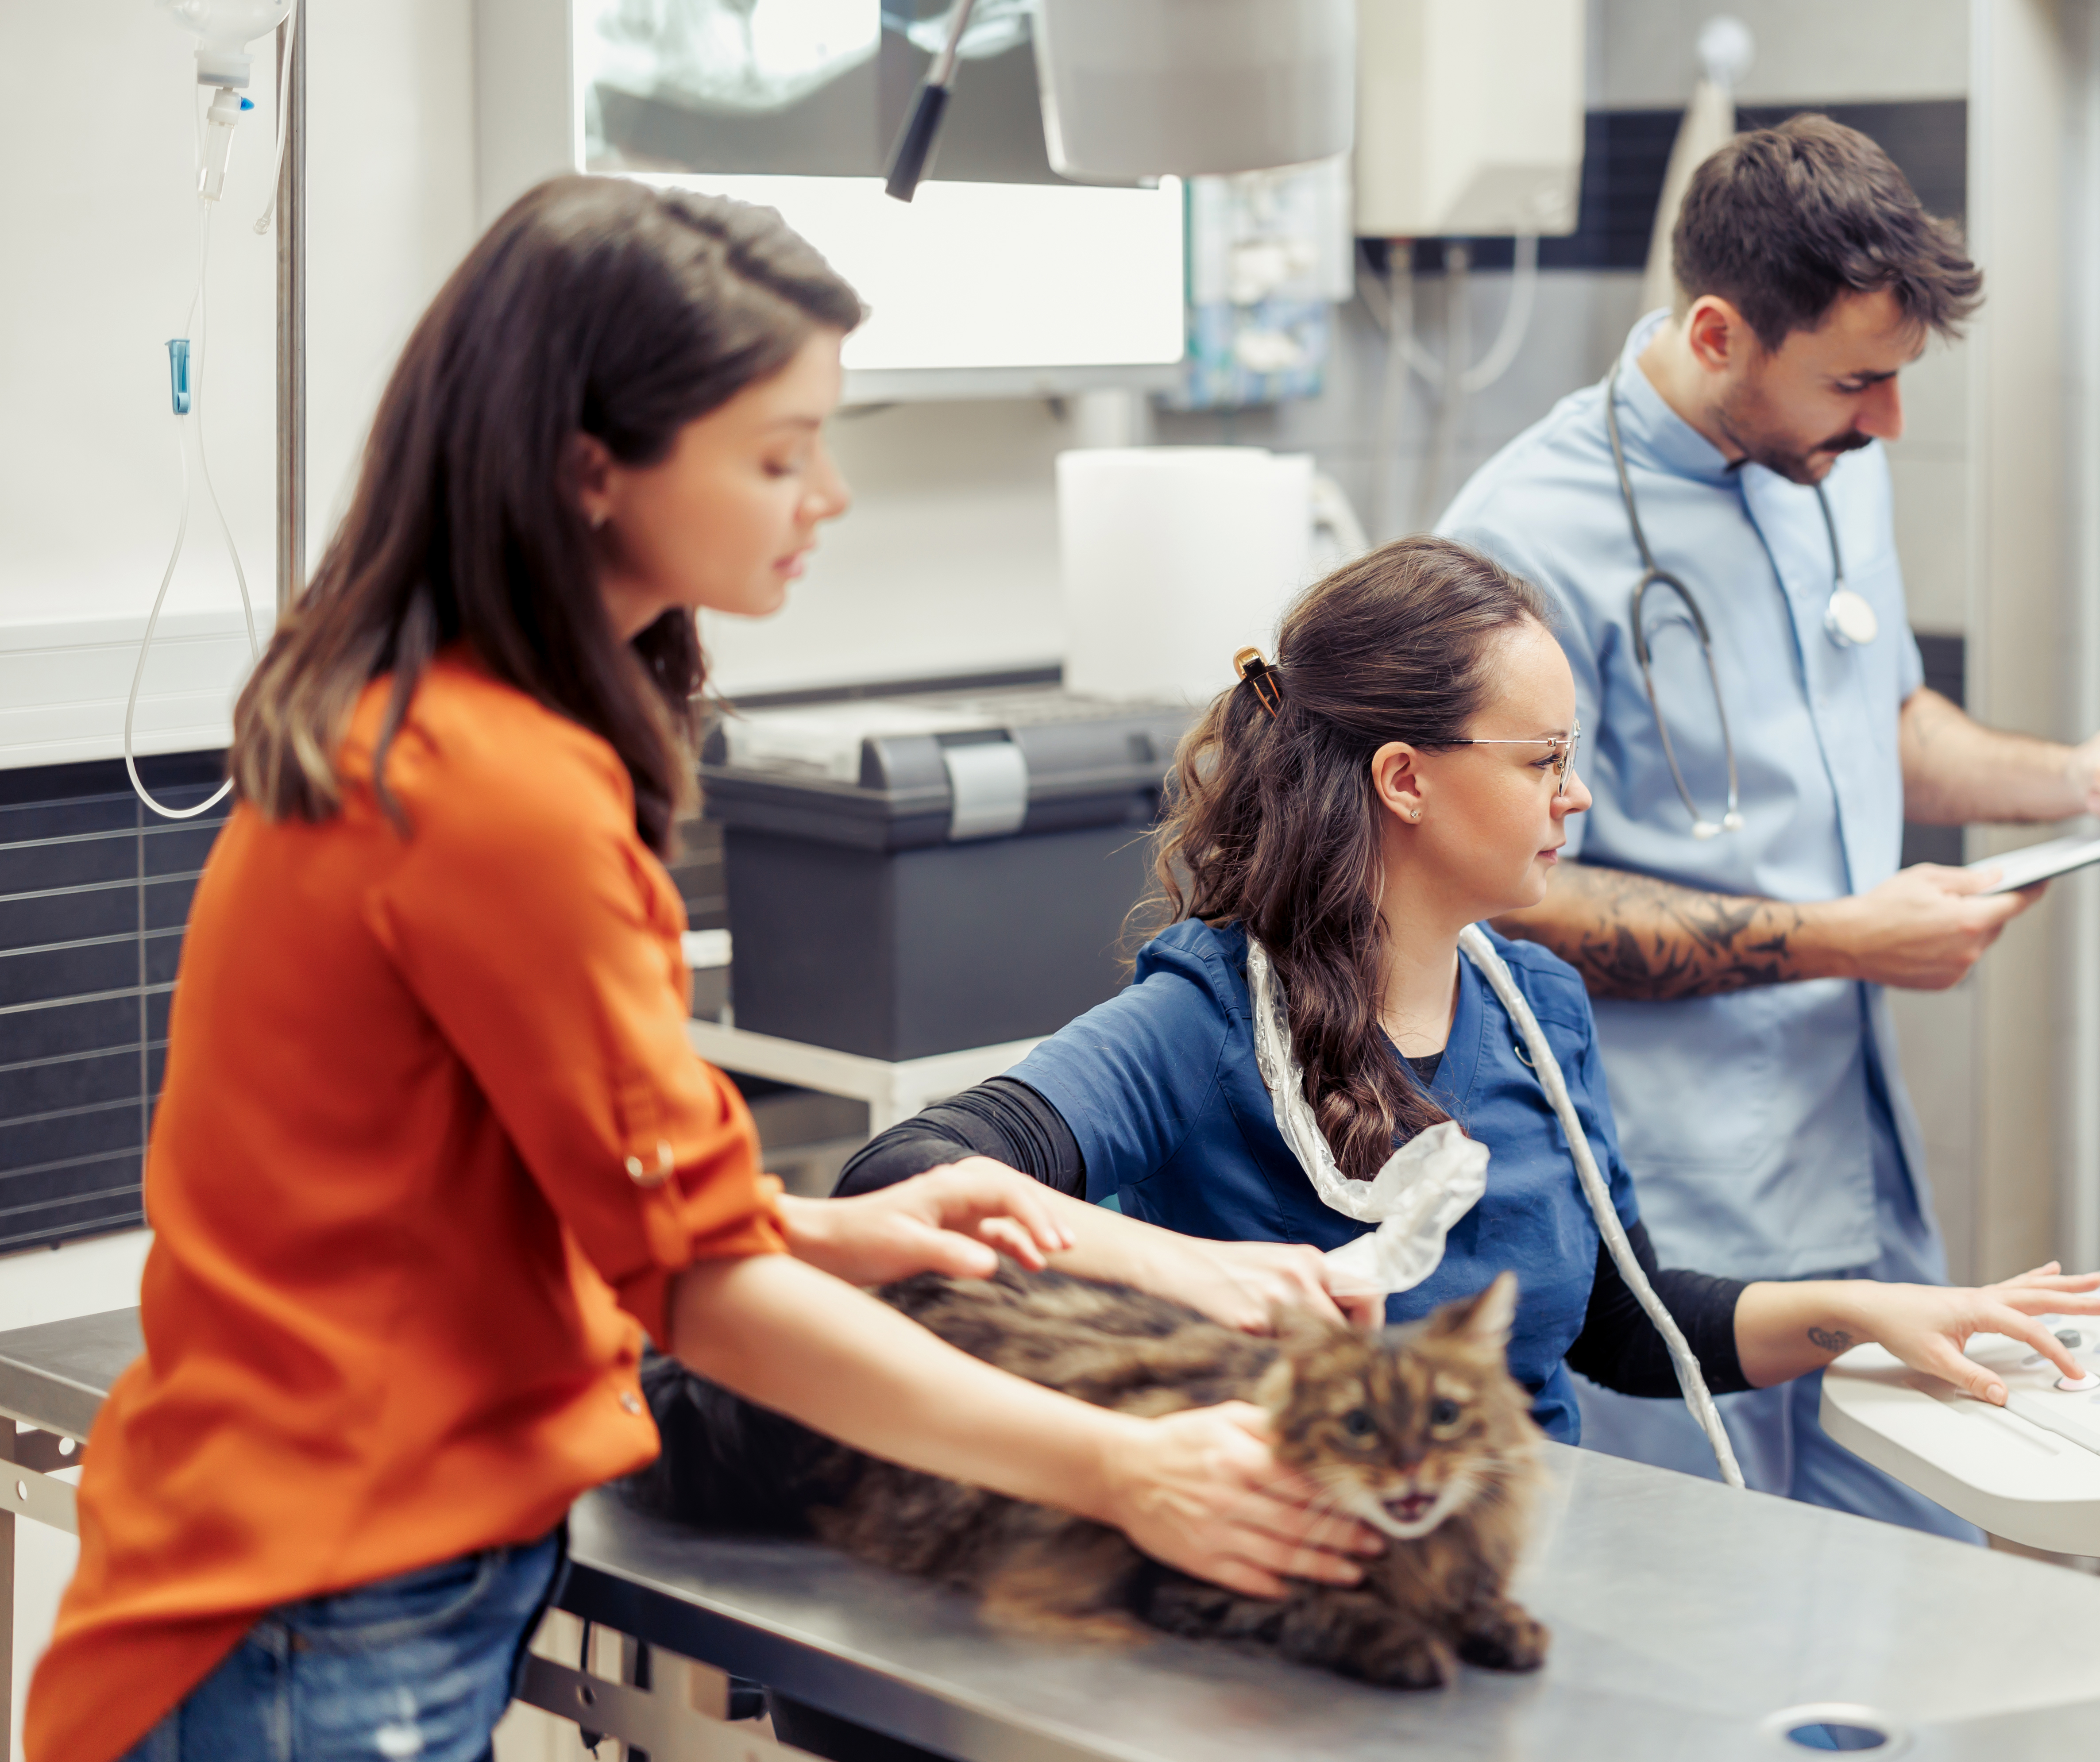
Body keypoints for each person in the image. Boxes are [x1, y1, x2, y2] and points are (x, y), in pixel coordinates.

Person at [29, 176, 1384, 1762]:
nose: (828, 496)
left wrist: (815, 1229)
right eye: (777, 452)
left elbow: (506, 1191)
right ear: (590, 469)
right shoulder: (498, 791)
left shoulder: (411, 725)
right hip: (317, 1603)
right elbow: (697, 1296)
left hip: (297, 1561)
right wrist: (1118, 1466)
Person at [807, 538, 2100, 1454]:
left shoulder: (1539, 1006)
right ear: (1405, 779)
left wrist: (1862, 1313)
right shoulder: (1202, 1022)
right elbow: (895, 1182)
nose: (1577, 797)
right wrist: (1198, 1272)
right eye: (1543, 759)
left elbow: (1620, 1327)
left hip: (1526, 1558)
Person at [1430, 116, 2100, 1533]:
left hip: (1857, 1172)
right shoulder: (1519, 541)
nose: (1889, 423)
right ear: (1720, 332)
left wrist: (2076, 780)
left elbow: (1883, 724)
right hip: (1664, 1209)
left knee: (1920, 1580)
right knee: (1697, 1631)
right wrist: (1843, 939)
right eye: (1856, 384)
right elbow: (1503, 907)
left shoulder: (1830, 463)